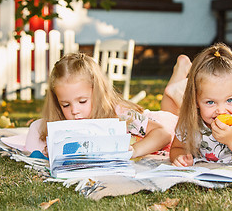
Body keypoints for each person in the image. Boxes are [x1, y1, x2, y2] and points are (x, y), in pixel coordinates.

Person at [25, 53, 175, 159]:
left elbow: (164, 134)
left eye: (82, 101)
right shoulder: (59, 122)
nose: (74, 111)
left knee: (175, 108)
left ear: (98, 93)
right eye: (65, 105)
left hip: (168, 123)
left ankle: (175, 84)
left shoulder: (120, 114)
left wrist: (133, 151)